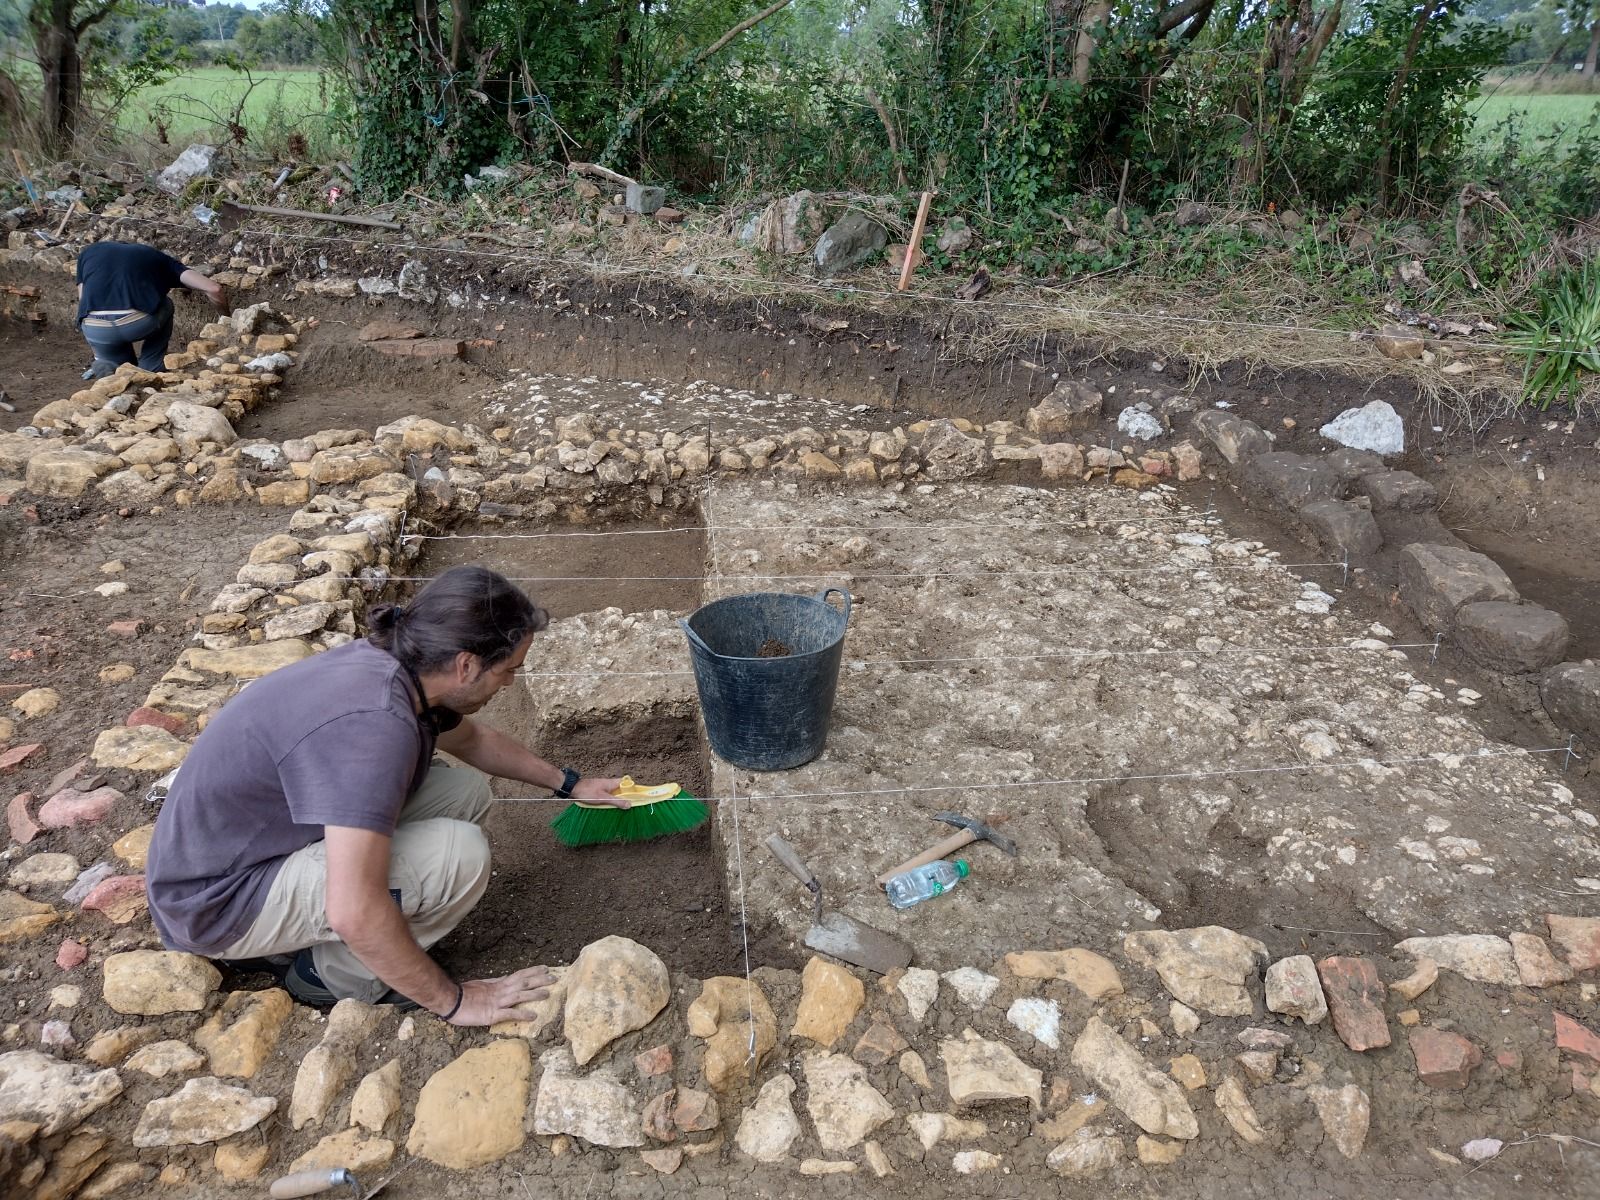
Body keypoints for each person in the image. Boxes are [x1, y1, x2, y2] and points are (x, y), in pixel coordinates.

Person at [145, 565, 631, 1027]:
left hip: (253, 849)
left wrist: (569, 784)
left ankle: (336, 945)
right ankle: (325, 976)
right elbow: (353, 907)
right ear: (467, 665)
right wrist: (454, 1000)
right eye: (508, 670)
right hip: (217, 903)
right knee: (458, 858)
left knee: (462, 792)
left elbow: (475, 742)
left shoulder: (397, 666)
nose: (510, 682)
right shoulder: (376, 728)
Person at [75, 240, 230, 378]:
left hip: (96, 329)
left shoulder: (89, 252)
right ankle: (151, 367)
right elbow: (213, 289)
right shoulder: (156, 257)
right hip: (135, 322)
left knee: (120, 372)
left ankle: (114, 370)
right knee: (166, 304)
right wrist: (226, 321)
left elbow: (83, 301)